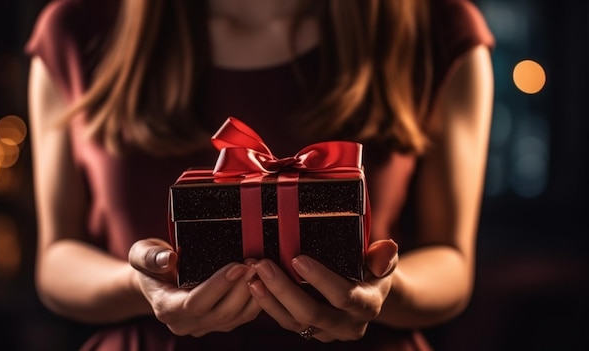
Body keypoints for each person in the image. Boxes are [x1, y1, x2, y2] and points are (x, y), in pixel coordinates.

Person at [25, 0, 494, 349]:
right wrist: (138, 286)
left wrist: (383, 293)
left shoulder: (436, 26)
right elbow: (56, 261)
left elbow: (452, 262)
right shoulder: (76, 28)